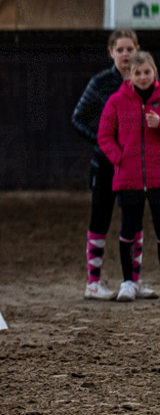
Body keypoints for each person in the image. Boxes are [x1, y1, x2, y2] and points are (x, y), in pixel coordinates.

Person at [72, 29, 144, 300]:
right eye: (120, 49)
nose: (126, 54)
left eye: (130, 49)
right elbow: (78, 119)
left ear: (138, 50)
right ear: (111, 52)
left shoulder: (145, 81)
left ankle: (133, 281)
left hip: (135, 167)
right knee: (100, 219)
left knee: (134, 222)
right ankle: (93, 283)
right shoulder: (100, 83)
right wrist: (105, 143)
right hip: (104, 164)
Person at [98, 51, 160, 302]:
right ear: (130, 76)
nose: (143, 77)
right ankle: (128, 283)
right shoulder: (116, 101)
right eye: (138, 73)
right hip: (129, 178)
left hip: (158, 179)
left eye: (147, 72)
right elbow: (104, 136)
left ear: (154, 72)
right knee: (128, 230)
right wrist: (119, 158)